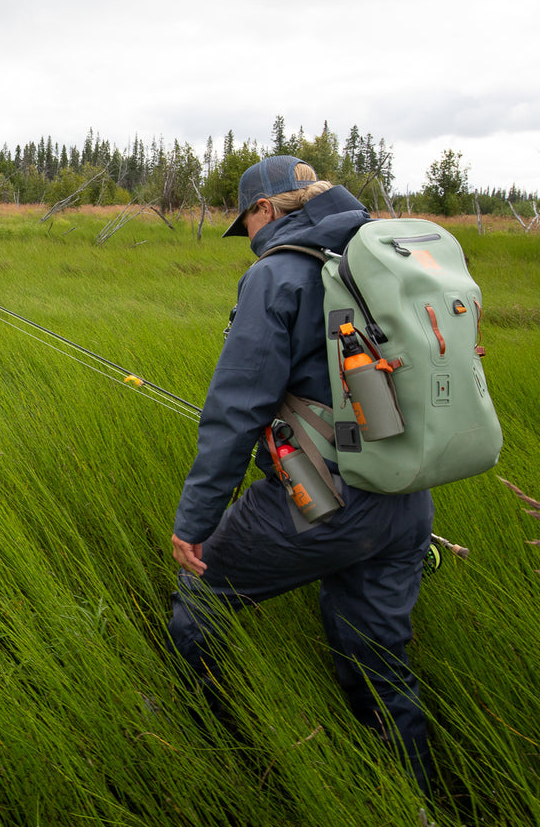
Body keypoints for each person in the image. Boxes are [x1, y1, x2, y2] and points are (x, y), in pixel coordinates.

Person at [166, 154, 435, 792]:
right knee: (380, 666)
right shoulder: (383, 252)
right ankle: (425, 816)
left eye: (249, 223)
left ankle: (218, 762)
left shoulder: (278, 274)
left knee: (198, 610)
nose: (251, 239)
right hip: (405, 493)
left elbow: (235, 411)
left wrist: (195, 524)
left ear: (266, 210)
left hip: (322, 499)